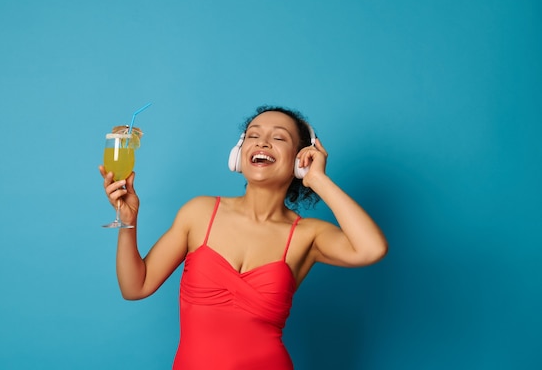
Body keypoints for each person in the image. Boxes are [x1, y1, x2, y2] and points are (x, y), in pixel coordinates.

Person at [99, 105, 388, 370]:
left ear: (301, 160)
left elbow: (371, 249)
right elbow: (135, 287)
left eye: (279, 138)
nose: (262, 142)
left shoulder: (308, 235)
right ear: (239, 153)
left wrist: (318, 179)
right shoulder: (199, 213)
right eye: (253, 135)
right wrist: (128, 222)